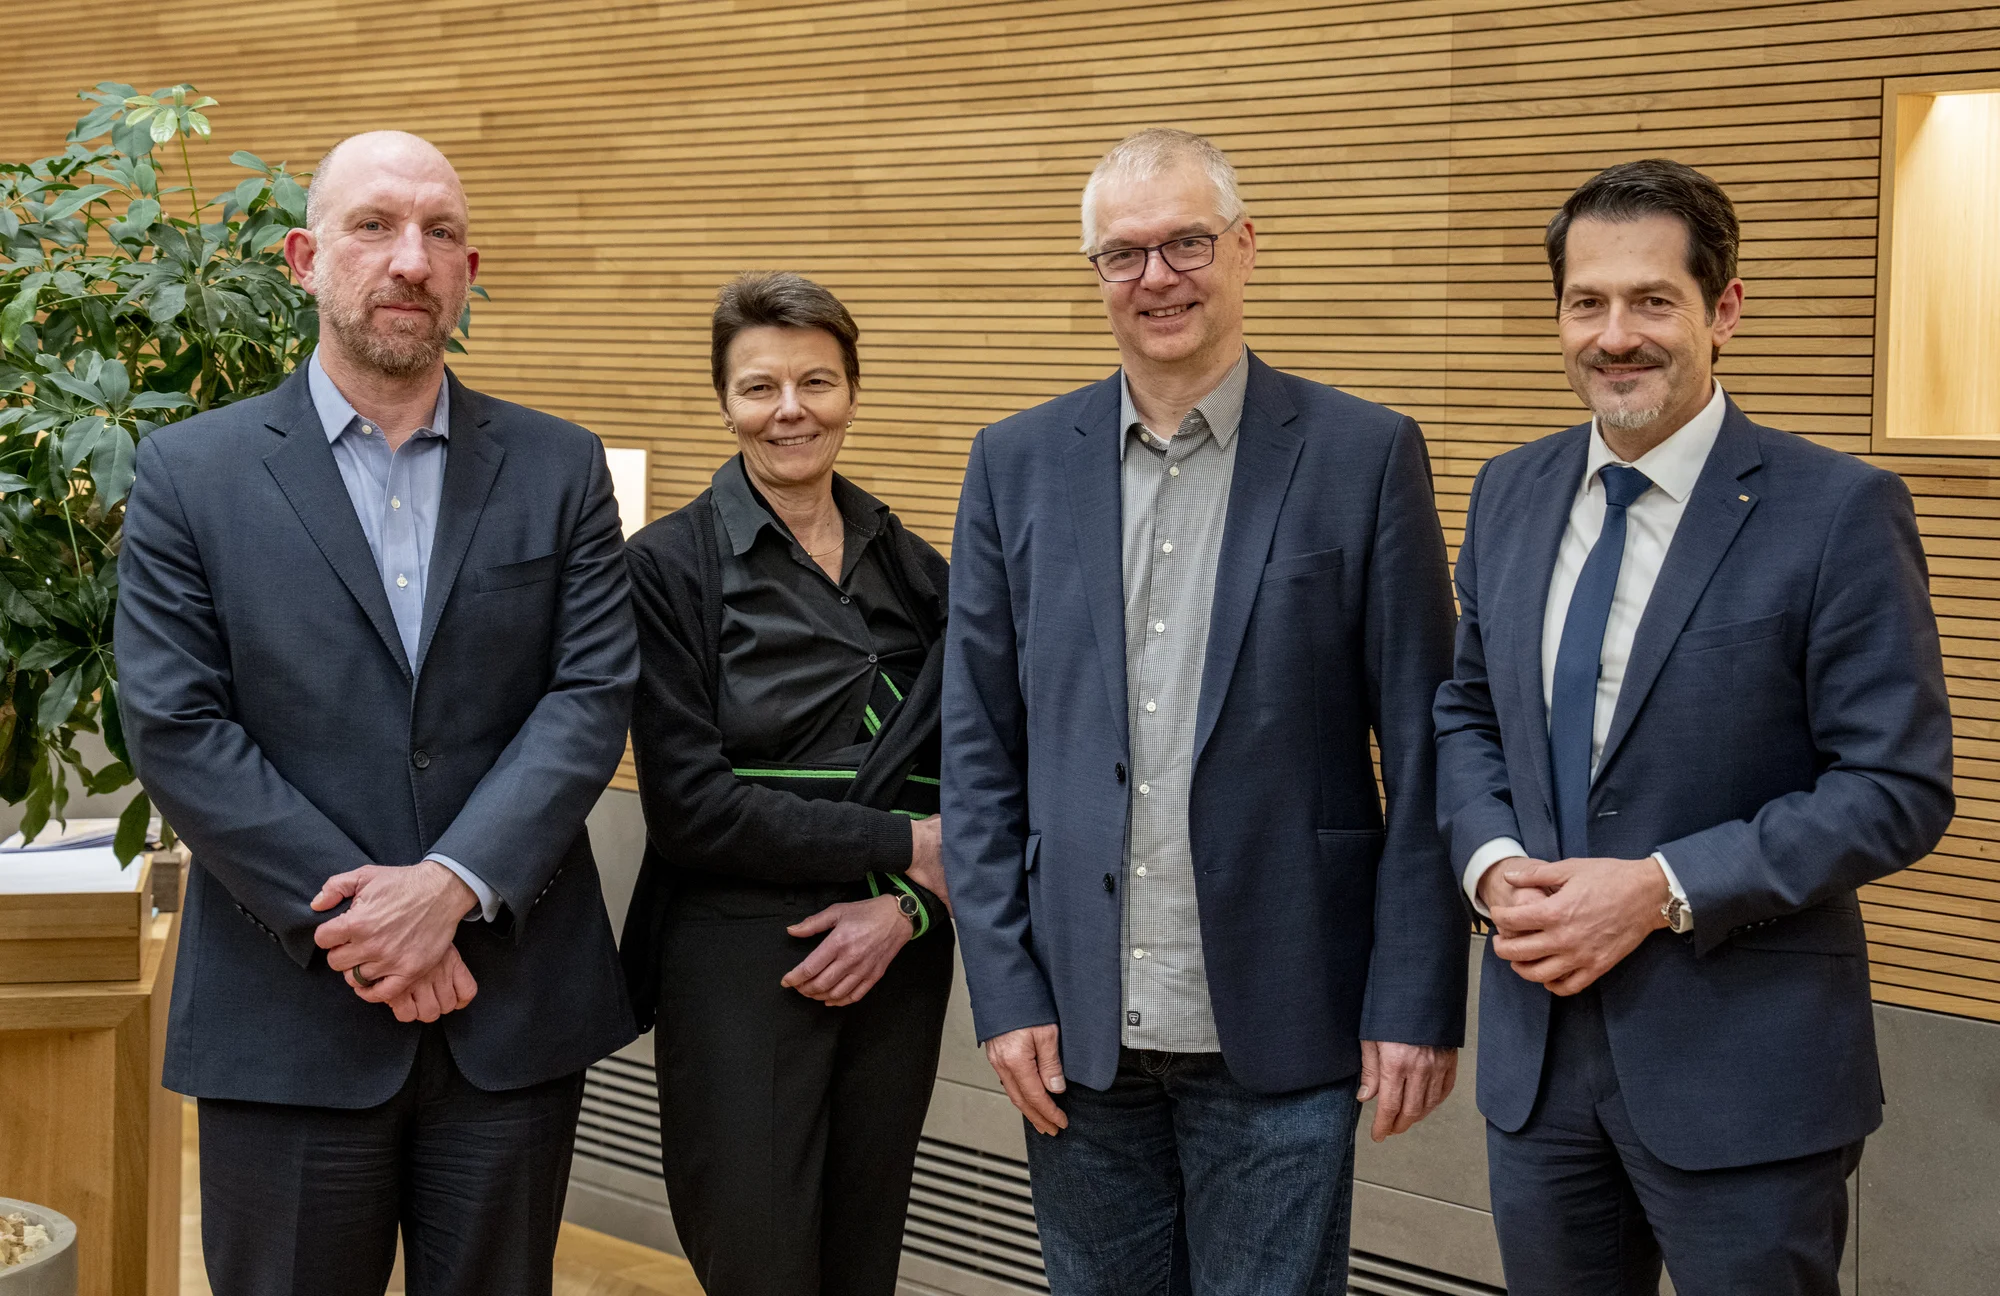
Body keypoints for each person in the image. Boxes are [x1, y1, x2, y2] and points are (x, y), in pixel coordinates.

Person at [941, 127, 1467, 1294]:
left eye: (1183, 242)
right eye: (1122, 255)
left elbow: (1428, 749)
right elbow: (977, 751)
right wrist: (1005, 990)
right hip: (1075, 1028)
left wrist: (1416, 998)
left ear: (1242, 246)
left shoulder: (1362, 455)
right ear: (1095, 277)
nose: (1156, 278)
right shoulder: (1014, 462)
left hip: (1285, 1013)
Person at [115, 131, 638, 1296]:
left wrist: (448, 886)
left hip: (508, 1011)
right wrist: (371, 924)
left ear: (466, 269)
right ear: (305, 257)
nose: (411, 259)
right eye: (375, 227)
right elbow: (177, 726)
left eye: (439, 234)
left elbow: (589, 694)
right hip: (288, 1015)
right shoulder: (188, 474)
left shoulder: (558, 466)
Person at [1433, 158, 1955, 1295]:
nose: (1614, 335)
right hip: (1537, 1069)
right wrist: (1489, 862)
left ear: (1721, 309)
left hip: (1746, 1081)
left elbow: (1895, 786)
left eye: (1650, 300)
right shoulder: (1507, 493)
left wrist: (1660, 885)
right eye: (1586, 303)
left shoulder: (1835, 511)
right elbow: (1465, 710)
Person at [618, 271, 954, 1296]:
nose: (790, 410)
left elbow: (989, 763)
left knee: (863, 1258)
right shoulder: (664, 570)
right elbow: (689, 811)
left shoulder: (919, 568)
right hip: (736, 955)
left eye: (816, 381)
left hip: (898, 953)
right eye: (759, 387)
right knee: (755, 1259)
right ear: (723, 404)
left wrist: (902, 906)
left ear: (851, 391)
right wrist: (907, 850)